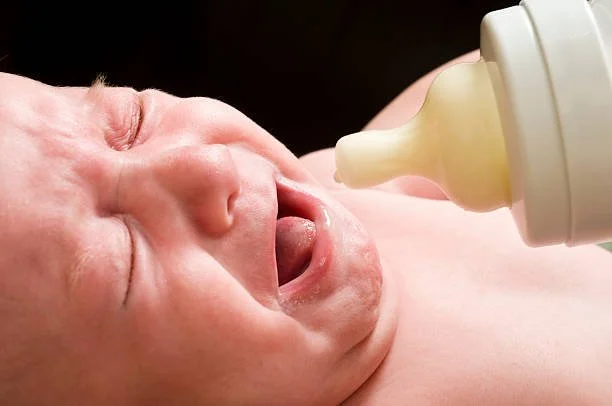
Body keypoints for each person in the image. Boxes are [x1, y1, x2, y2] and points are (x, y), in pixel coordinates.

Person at [1, 50, 612, 406]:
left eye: (129, 120)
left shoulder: (355, 185)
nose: (205, 165)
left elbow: (493, 106)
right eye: (126, 257)